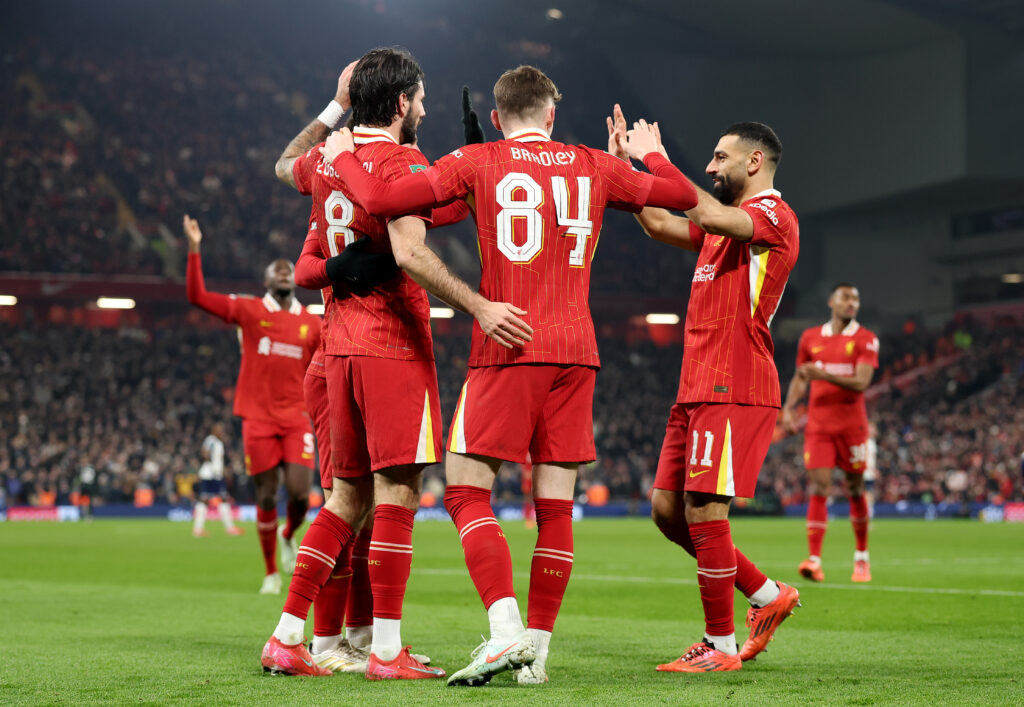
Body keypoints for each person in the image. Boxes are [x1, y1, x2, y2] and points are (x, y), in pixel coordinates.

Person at [320, 65, 699, 686]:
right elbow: (684, 199)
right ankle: (536, 660)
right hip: (577, 349)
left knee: (468, 491)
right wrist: (650, 156)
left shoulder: (476, 160)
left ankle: (504, 633)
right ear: (552, 114)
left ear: (496, 117)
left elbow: (387, 202)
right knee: (554, 507)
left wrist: (344, 157)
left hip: (508, 343)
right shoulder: (594, 166)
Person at [260, 47, 528, 680]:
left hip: (339, 346)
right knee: (398, 494)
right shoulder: (404, 161)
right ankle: (384, 650)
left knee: (345, 496)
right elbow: (412, 243)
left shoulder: (330, 164)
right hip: (393, 343)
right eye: (423, 98)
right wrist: (478, 305)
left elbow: (283, 165)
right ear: (403, 103)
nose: (428, 108)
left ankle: (288, 637)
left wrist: (336, 106)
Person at [608, 105, 800, 672]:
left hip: (734, 381)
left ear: (755, 160)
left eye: (721, 157)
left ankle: (718, 648)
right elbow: (662, 223)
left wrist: (658, 159)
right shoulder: (728, 223)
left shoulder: (772, 215)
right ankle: (767, 596)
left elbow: (710, 214)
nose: (713, 165)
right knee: (668, 510)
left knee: (706, 510)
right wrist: (627, 175)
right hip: (696, 383)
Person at [184, 215, 321, 595]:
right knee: (264, 495)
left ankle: (289, 532)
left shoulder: (313, 323)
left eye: (287, 269)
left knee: (298, 493)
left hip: (297, 416)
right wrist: (195, 248)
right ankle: (271, 573)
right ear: (266, 281)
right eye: (275, 270)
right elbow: (198, 297)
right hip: (258, 418)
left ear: (294, 279)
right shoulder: (248, 311)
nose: (282, 271)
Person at [782, 283, 879, 583]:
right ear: (831, 302)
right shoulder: (810, 337)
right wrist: (788, 407)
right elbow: (801, 377)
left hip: (852, 427)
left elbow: (862, 382)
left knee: (854, 489)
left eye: (856, 299)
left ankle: (861, 557)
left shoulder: (866, 339)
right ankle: (814, 560)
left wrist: (824, 374)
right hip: (819, 427)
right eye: (846, 298)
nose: (852, 303)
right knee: (819, 487)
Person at [192, 422, 243, 537]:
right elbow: (205, 453)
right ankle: (229, 528)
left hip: (213, 474)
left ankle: (199, 529)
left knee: (209, 499)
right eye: (219, 430)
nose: (221, 432)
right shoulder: (211, 440)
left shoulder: (218, 442)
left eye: (222, 430)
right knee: (219, 499)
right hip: (211, 475)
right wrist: (212, 466)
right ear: (213, 431)